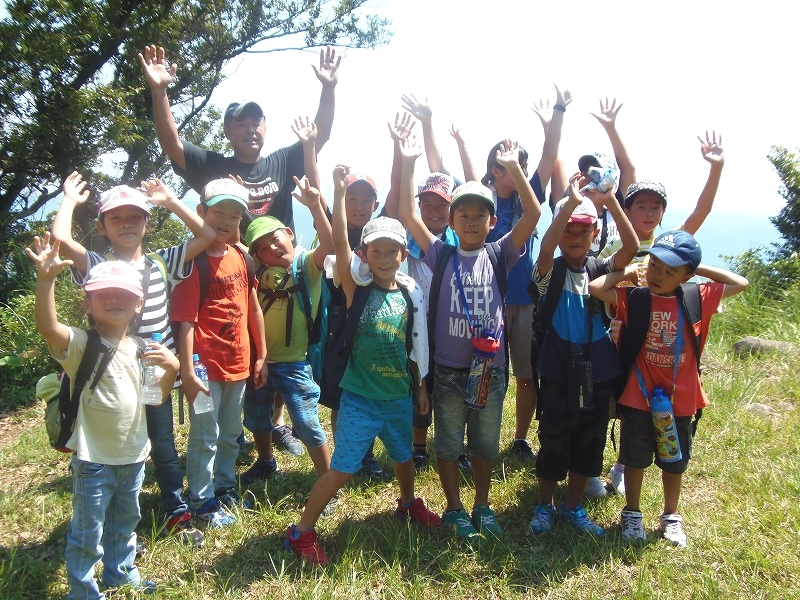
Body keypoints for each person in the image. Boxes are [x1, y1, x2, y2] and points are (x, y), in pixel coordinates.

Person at [284, 166, 440, 565]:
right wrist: (336, 194)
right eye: (377, 251)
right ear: (364, 254)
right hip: (360, 400)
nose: (385, 258)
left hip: (397, 398)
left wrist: (420, 386)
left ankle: (407, 502)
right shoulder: (357, 287)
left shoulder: (411, 292)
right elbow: (337, 241)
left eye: (393, 251)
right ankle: (301, 532)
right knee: (342, 470)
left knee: (403, 456)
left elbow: (417, 342)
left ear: (404, 255)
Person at [51, 172, 215, 547]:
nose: (126, 224)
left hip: (155, 369)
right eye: (116, 218)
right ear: (102, 226)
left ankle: (174, 507)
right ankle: (115, 513)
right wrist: (68, 201)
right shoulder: (96, 264)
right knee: (118, 439)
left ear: (146, 222)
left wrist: (170, 201)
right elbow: (61, 242)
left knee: (162, 440)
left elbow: (206, 236)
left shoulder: (163, 261)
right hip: (111, 375)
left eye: (135, 217)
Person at [400, 136, 542, 539]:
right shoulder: (440, 254)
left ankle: (482, 504)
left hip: (490, 371)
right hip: (447, 371)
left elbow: (532, 212)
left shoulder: (499, 253)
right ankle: (454, 508)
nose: (471, 220)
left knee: (483, 444)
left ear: (492, 222)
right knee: (446, 444)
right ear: (451, 219)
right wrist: (408, 161)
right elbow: (407, 215)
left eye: (480, 214)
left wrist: (514, 167)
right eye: (462, 212)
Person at [27, 239, 179, 599]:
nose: (114, 300)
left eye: (124, 294)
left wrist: (172, 369)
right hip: (94, 460)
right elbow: (49, 327)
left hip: (134, 457)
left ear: (138, 303)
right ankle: (82, 590)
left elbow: (155, 399)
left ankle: (120, 573)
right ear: (88, 303)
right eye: (104, 294)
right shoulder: (82, 344)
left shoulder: (143, 349)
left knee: (125, 523)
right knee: (87, 531)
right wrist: (46, 280)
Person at [588, 230, 748, 545]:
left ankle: (670, 515)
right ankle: (632, 513)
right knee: (634, 457)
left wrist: (696, 270)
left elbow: (740, 283)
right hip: (639, 393)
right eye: (656, 265)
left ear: (686, 274)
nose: (659, 274)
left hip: (681, 397)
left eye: (670, 270)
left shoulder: (695, 296)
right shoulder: (636, 297)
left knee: (674, 460)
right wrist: (627, 273)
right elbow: (596, 287)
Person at [597, 131, 725, 495]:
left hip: (664, 337)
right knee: (624, 399)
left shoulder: (672, 245)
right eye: (641, 206)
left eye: (656, 208)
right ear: (629, 208)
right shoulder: (618, 243)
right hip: (623, 329)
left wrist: (715, 168)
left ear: (663, 213)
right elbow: (603, 284)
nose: (649, 213)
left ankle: (623, 466)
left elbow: (701, 211)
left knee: (644, 398)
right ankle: (623, 459)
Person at [527, 173, 637, 537]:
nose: (575, 239)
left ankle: (573, 506)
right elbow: (544, 249)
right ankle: (546, 504)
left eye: (583, 231)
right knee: (554, 436)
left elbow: (631, 248)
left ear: (595, 234)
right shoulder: (550, 270)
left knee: (590, 438)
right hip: (558, 367)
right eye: (567, 232)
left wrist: (611, 202)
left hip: (597, 366)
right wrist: (570, 205)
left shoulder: (601, 268)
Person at [138, 43, 340, 235]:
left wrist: (328, 88)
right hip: (235, 266)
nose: (250, 130)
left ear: (265, 127)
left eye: (256, 123)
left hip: (281, 264)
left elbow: (318, 135)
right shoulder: (213, 167)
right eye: (242, 124)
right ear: (228, 132)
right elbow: (172, 145)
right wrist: (159, 91)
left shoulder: (283, 162)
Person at [240, 119, 335, 488]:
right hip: (261, 360)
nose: (271, 248)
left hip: (295, 361)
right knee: (258, 416)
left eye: (275, 239)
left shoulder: (304, 265)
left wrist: (315, 207)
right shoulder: (255, 271)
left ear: (290, 234)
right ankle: (265, 460)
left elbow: (328, 245)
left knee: (307, 421)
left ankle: (327, 478)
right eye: (262, 246)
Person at [170, 178, 267, 527]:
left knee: (230, 432)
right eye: (218, 212)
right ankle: (201, 498)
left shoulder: (241, 256)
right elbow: (185, 322)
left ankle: (225, 487)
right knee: (205, 435)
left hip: (239, 362)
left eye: (235, 215)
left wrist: (261, 354)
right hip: (205, 367)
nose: (226, 221)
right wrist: (188, 372)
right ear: (201, 213)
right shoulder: (192, 261)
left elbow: (252, 308)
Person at [317, 169, 390, 480]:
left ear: (375, 204)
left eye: (366, 199)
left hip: (374, 325)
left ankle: (365, 456)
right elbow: (336, 238)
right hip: (340, 325)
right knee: (341, 395)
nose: (359, 205)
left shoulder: (379, 233)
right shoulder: (340, 232)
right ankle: (348, 457)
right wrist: (334, 189)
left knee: (367, 391)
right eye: (352, 198)